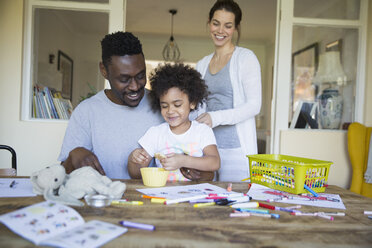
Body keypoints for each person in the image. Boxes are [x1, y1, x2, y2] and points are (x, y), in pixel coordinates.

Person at [58, 31, 164, 179]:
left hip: (152, 200)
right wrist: (73, 157)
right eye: (124, 79)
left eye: (140, 76)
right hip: (104, 199)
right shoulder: (87, 111)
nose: (134, 86)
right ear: (104, 70)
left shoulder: (164, 105)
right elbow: (61, 175)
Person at [195, 0, 262, 182]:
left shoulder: (245, 58)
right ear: (209, 22)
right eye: (216, 23)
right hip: (207, 149)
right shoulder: (201, 64)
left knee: (234, 206)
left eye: (228, 26)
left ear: (235, 28)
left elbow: (254, 106)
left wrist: (214, 118)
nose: (220, 31)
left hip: (236, 150)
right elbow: (196, 107)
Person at [128, 63, 220, 181]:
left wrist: (183, 160)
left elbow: (215, 162)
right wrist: (133, 159)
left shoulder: (202, 131)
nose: (170, 111)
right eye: (165, 106)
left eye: (177, 105)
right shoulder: (156, 133)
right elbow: (136, 174)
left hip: (195, 195)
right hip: (163, 195)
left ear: (192, 102)